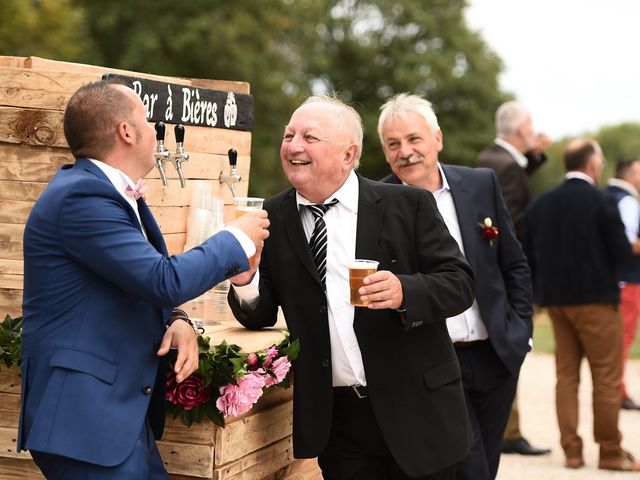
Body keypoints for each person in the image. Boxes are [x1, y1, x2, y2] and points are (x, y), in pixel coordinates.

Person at [18, 79, 270, 480]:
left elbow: (133, 278)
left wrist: (178, 319)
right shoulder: (82, 196)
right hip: (84, 420)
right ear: (127, 132)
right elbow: (161, 278)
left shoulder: (108, 192)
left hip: (117, 417)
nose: (155, 131)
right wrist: (237, 237)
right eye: (149, 121)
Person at [228, 95, 476, 480]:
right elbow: (260, 314)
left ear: (349, 154)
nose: (293, 146)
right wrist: (245, 280)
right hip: (339, 423)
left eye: (310, 137)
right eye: (289, 135)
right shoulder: (271, 217)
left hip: (418, 411)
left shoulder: (408, 205)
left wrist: (404, 292)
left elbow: (460, 283)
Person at [378, 93, 532, 480]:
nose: (406, 152)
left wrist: (521, 332)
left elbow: (513, 262)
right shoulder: (376, 203)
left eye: (414, 139)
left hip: (496, 355)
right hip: (433, 363)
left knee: (487, 465)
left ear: (437, 139)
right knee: (470, 468)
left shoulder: (481, 184)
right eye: (393, 144)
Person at [523, 139, 640, 471]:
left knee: (566, 376)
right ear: (591, 164)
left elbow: (528, 253)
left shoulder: (541, 204)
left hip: (556, 302)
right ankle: (610, 451)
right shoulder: (603, 202)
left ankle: (571, 451)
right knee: (605, 376)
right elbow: (620, 253)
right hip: (597, 301)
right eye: (600, 160)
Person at [476, 100, 551, 456]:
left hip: (491, 275)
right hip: (502, 276)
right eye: (531, 127)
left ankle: (508, 428)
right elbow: (506, 225)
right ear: (521, 130)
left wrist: (534, 156)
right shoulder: (505, 167)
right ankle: (507, 430)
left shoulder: (493, 158)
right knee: (507, 349)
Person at [604, 159, 640, 411]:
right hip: (627, 280)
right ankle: (618, 389)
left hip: (615, 278)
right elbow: (627, 244)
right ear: (628, 175)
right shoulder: (628, 200)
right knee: (622, 338)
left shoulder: (606, 195)